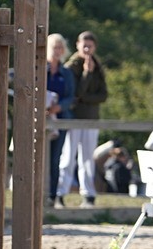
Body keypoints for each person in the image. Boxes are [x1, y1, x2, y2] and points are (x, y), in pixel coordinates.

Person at [57, 31, 109, 207]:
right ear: (78, 45)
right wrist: (87, 74)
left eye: (90, 46)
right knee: (68, 157)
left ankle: (88, 194)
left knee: (87, 159)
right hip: (74, 118)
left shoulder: (97, 65)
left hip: (91, 118)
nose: (87, 49)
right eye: (84, 45)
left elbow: (103, 95)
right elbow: (76, 93)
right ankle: (60, 193)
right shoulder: (72, 66)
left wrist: (85, 97)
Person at [45, 33, 76, 207]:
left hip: (60, 119)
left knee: (55, 158)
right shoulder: (40, 69)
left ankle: (52, 195)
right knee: (39, 156)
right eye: (54, 47)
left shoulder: (67, 72)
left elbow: (71, 96)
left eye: (60, 47)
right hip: (41, 117)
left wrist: (59, 107)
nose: (57, 51)